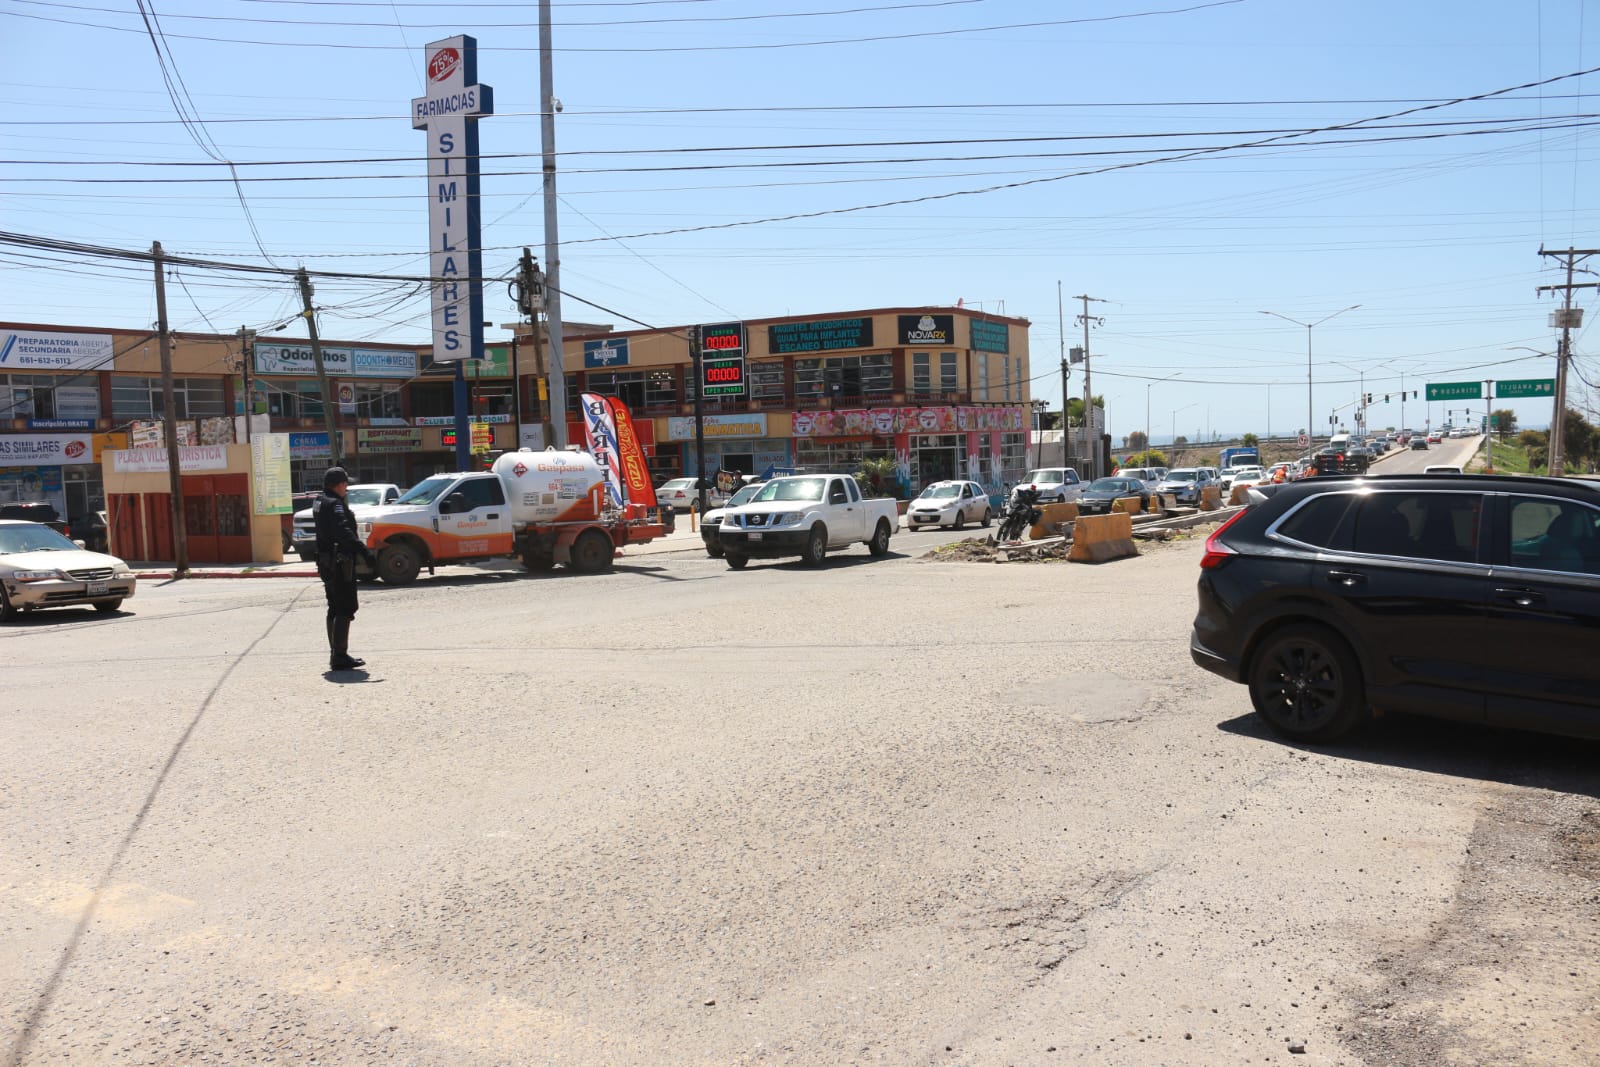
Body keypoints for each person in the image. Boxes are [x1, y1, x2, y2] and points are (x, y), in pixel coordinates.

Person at [313, 466, 376, 671]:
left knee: (334, 606)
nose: (346, 487)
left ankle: (336, 653)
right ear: (339, 485)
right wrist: (365, 552)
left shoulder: (319, 501)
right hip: (339, 562)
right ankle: (339, 656)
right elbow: (344, 532)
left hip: (326, 561)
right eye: (345, 483)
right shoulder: (335, 505)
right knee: (346, 606)